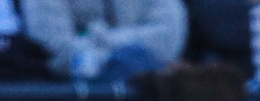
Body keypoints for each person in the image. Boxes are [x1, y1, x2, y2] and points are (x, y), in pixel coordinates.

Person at [18, 0, 188, 83]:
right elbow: (53, 49)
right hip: (73, 92)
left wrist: (101, 39)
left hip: (146, 87)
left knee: (132, 60)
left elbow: (168, 38)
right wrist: (114, 60)